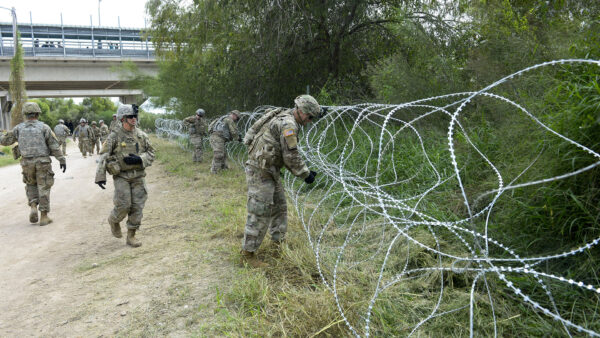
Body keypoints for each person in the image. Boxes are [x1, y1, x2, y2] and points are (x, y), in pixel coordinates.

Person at [240, 95, 320, 267]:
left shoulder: (284, 115)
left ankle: (277, 244)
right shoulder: (289, 125)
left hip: (270, 169)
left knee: (279, 207)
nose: (309, 121)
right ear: (300, 111)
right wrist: (306, 174)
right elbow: (291, 155)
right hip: (260, 170)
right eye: (309, 116)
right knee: (259, 210)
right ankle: (248, 254)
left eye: (313, 117)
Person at [95, 104, 155, 247]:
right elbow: (103, 155)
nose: (133, 119)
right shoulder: (114, 137)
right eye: (130, 116)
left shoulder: (141, 135)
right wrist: (100, 176)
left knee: (137, 206)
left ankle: (131, 235)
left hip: (138, 175)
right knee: (123, 205)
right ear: (122, 119)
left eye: (135, 116)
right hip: (122, 176)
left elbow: (152, 153)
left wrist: (140, 159)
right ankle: (114, 220)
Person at [0, 102, 66, 226]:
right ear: (37, 113)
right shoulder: (44, 127)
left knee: (31, 185)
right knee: (44, 187)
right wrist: (61, 159)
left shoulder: (18, 128)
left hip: (26, 162)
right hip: (42, 162)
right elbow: (54, 146)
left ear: (25, 114)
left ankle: (33, 206)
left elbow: (4, 141)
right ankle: (44, 216)